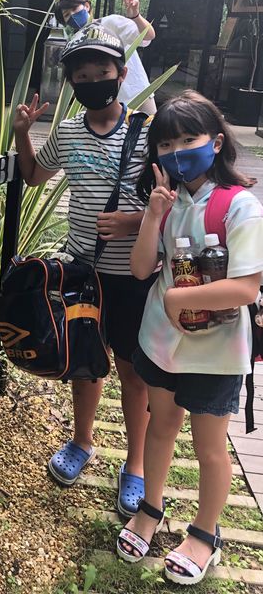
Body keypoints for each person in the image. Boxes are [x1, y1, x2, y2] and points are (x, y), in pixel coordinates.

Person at [116, 90, 263, 585]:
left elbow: (246, 287)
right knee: (160, 426)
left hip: (216, 352)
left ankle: (204, 534)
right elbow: (141, 270)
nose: (176, 151)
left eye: (188, 139)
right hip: (162, 342)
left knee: (209, 448)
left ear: (217, 143)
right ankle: (151, 509)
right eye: (165, 143)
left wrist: (179, 301)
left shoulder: (240, 205)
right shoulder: (167, 201)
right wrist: (153, 215)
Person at [13, 24, 157, 518]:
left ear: (121, 74)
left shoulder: (146, 131)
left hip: (135, 276)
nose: (94, 80)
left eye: (103, 71)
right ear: (72, 83)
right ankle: (82, 441)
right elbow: (34, 177)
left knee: (133, 373)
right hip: (82, 273)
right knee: (85, 361)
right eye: (83, 75)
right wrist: (20, 134)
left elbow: (174, 201)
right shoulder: (69, 132)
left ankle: (135, 465)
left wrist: (135, 220)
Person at [54, 0, 157, 115]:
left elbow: (149, 35)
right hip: (105, 101)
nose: (73, 16)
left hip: (137, 94)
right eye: (67, 15)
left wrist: (135, 15)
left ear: (87, 6)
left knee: (152, 132)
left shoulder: (110, 23)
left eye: (75, 9)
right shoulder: (77, 42)